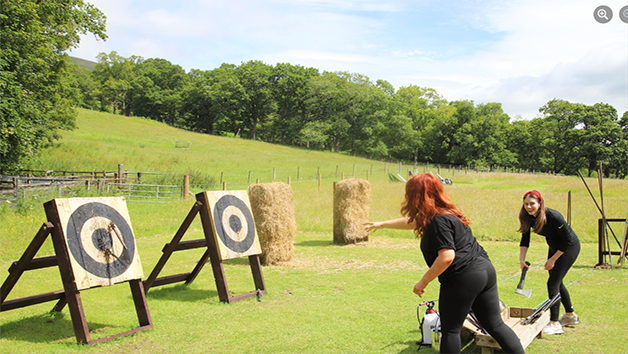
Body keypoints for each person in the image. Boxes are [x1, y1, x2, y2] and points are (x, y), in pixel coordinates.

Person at [364, 173, 525, 354]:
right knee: (495, 325)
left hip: (463, 277)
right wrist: (382, 224)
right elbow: (413, 222)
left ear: (415, 195)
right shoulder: (446, 212)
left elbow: (447, 256)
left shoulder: (437, 221)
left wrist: (423, 282)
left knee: (451, 330)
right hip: (484, 270)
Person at [518, 190, 581, 335]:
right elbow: (525, 239)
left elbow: (568, 240)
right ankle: (570, 316)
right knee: (557, 282)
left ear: (540, 204)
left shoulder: (553, 216)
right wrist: (522, 259)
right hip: (554, 247)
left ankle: (555, 323)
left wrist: (553, 259)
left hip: (568, 248)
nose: (529, 207)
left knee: (553, 283)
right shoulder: (527, 217)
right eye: (526, 204)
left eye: (532, 204)